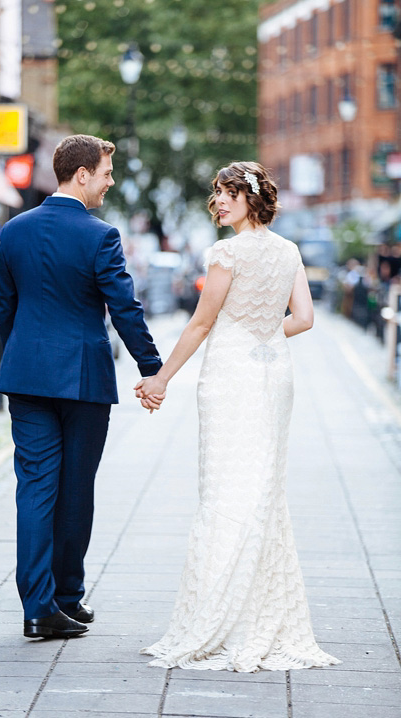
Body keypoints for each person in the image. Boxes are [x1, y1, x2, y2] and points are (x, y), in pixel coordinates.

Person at [137, 161, 340, 672]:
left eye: (230, 193)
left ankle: (221, 616)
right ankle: (260, 609)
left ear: (253, 198)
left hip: (231, 375)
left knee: (227, 488)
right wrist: (265, 336)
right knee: (263, 489)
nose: (220, 202)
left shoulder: (227, 253)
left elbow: (202, 323)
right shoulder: (289, 251)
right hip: (274, 374)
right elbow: (305, 318)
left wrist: (161, 378)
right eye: (217, 194)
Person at [0, 134, 163, 640]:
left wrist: (21, 355)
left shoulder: (14, 230)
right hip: (83, 379)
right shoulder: (100, 235)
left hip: (27, 377)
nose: (110, 183)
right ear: (82, 174)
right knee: (74, 491)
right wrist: (151, 367)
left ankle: (46, 605)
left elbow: (6, 308)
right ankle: (62, 596)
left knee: (35, 490)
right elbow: (124, 308)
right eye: (106, 174)